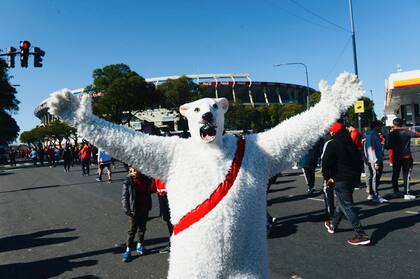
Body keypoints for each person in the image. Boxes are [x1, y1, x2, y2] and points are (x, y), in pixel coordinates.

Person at [322, 122, 370, 246]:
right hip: (352, 177)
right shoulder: (350, 142)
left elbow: (326, 164)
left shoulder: (332, 144)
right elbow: (359, 161)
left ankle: (361, 234)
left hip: (340, 178)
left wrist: (328, 178)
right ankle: (333, 225)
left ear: (333, 132)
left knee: (347, 205)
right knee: (341, 203)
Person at [121, 166, 153, 262]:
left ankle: (140, 245)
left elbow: (149, 191)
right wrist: (127, 209)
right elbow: (124, 197)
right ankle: (128, 250)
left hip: (144, 207)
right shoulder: (128, 181)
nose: (134, 172)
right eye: (132, 170)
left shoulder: (145, 179)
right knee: (132, 230)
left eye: (136, 170)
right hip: (134, 210)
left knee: (142, 228)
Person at [387, 118, 420, 200]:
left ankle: (396, 191)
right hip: (406, 156)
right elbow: (417, 134)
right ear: (402, 124)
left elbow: (388, 146)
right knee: (406, 175)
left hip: (396, 156)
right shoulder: (406, 131)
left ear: (394, 124)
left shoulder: (391, 134)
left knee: (395, 175)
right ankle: (406, 193)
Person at [363, 120, 388, 203]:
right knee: (375, 178)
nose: (381, 128)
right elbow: (371, 149)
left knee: (374, 178)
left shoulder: (372, 134)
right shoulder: (372, 135)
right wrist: (375, 161)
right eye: (380, 126)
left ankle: (372, 194)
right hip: (375, 160)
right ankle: (375, 195)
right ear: (376, 127)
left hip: (374, 160)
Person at [153, 178, 173, 253]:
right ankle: (173, 243)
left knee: (173, 219)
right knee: (167, 218)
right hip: (160, 192)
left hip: (169, 191)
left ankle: (175, 244)